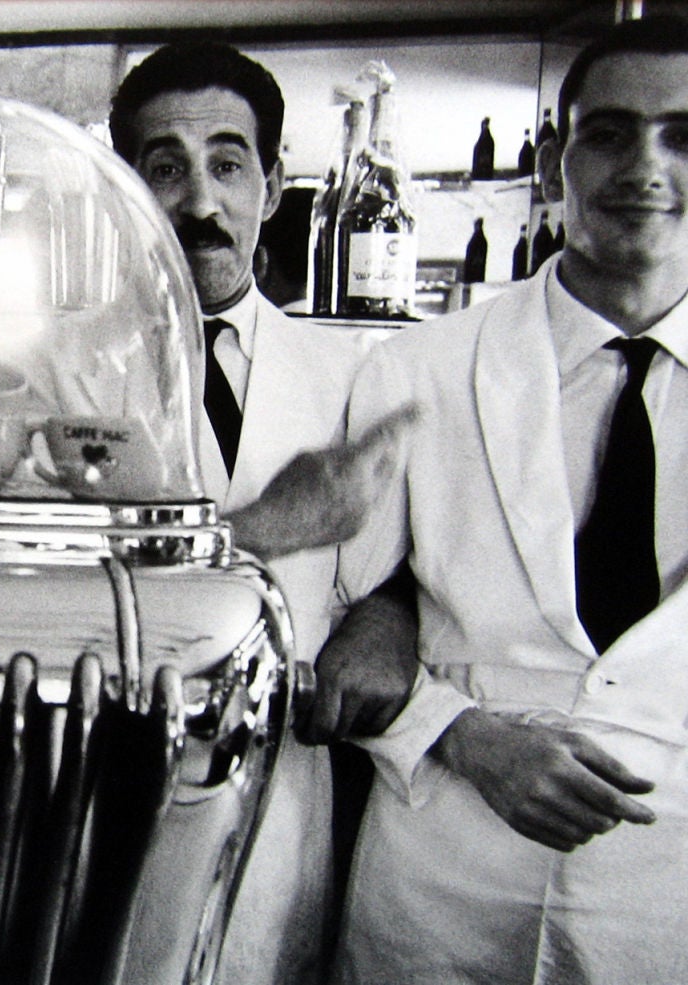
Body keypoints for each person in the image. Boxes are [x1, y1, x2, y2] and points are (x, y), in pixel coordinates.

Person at [330, 16, 688, 983]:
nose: (646, 167)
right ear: (552, 160)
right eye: (608, 132)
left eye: (684, 135)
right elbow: (336, 625)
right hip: (447, 874)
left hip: (666, 897)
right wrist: (462, 736)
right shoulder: (420, 369)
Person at [109, 41, 415, 984]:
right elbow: (57, 591)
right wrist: (263, 530)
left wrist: (387, 615)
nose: (199, 202)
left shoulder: (357, 371)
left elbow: (391, 576)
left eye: (227, 164)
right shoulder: (60, 373)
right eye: (164, 168)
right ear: (122, 187)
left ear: (274, 187)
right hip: (110, 785)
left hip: (283, 794)